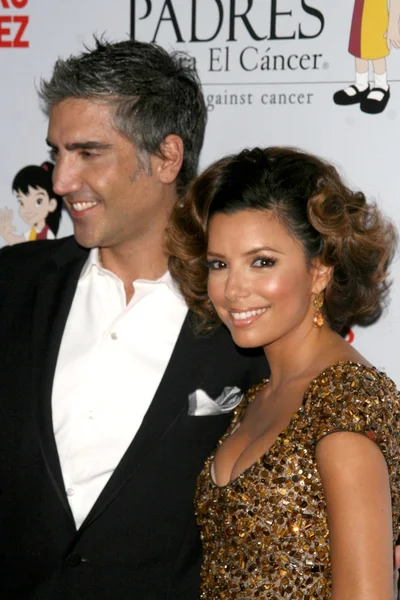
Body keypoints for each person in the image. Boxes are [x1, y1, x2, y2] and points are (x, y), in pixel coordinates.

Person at [0, 39, 267, 599]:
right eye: (57, 153)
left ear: (167, 157)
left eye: (88, 153)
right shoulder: (11, 282)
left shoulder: (247, 311)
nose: (61, 181)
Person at [168, 146, 400, 599]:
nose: (233, 290)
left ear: (321, 269)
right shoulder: (261, 393)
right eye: (219, 264)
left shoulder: (347, 400)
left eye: (262, 262)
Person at [0, 161, 63, 245]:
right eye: (22, 203)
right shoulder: (33, 231)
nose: (28, 210)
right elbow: (20, 242)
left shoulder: (48, 235)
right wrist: (5, 234)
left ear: (51, 204)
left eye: (38, 202)